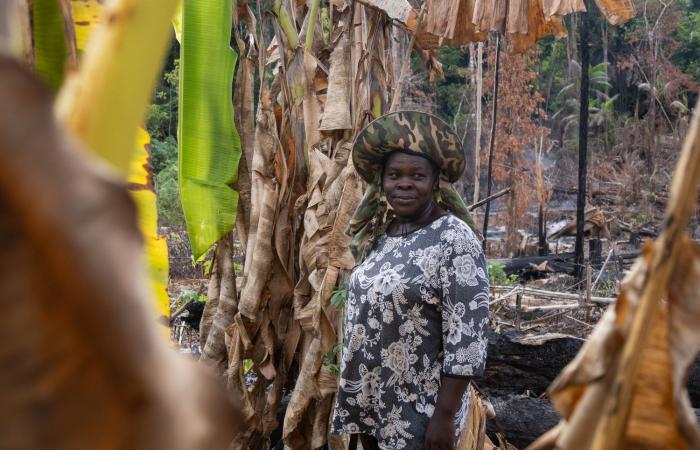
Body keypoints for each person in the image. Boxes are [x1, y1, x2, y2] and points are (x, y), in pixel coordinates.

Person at [331, 111, 490, 450]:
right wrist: (361, 410)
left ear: (435, 182)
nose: (404, 183)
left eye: (417, 175)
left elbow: (468, 338)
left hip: (422, 409)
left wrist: (444, 416)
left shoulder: (453, 238)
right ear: (382, 182)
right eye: (394, 175)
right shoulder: (379, 235)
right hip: (372, 403)